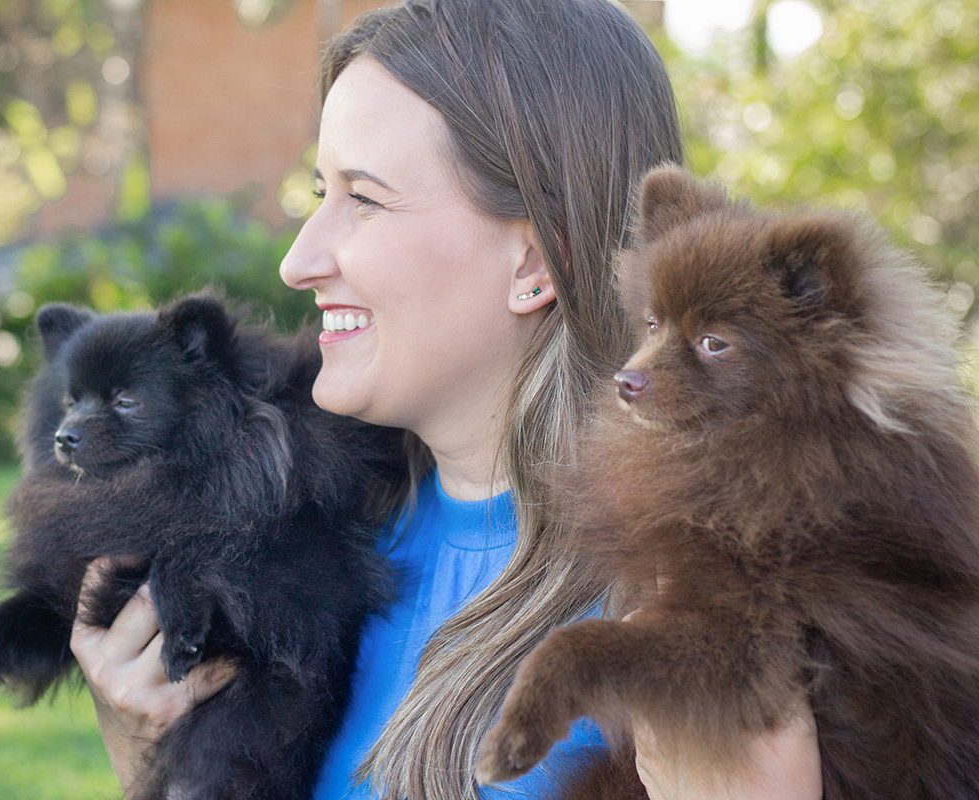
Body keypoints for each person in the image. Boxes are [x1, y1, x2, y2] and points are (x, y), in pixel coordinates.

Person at [69, 1, 824, 798]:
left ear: (535, 263)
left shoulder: (700, 613)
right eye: (320, 192)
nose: (298, 260)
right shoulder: (303, 543)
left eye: (364, 198)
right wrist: (158, 756)